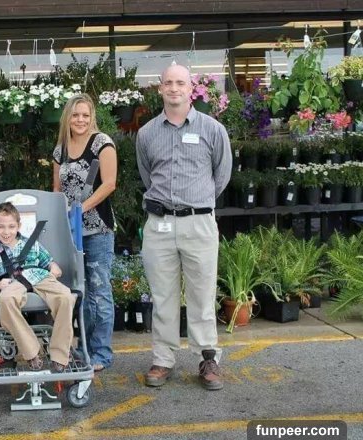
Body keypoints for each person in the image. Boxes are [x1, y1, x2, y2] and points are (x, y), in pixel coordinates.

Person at [135, 64, 232, 391]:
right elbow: (147, 175)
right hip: (160, 224)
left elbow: (222, 175)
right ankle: (163, 359)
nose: (174, 88)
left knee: (202, 294)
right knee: (162, 296)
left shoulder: (212, 130)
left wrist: (196, 203)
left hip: (199, 223)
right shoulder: (147, 133)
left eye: (180, 82)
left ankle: (208, 358)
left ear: (191, 88)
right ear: (160, 88)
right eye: (168, 83)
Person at [52, 93, 117, 372]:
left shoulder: (102, 143)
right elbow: (57, 189)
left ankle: (101, 352)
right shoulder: (61, 150)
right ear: (68, 118)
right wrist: (62, 216)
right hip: (70, 232)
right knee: (79, 291)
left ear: (92, 118)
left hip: (97, 229)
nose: (80, 120)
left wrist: (80, 209)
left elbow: (109, 183)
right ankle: (85, 348)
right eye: (76, 115)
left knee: (99, 292)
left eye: (86, 115)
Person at [0, 202, 76, 373]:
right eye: (0, 227)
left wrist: (54, 268)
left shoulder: (31, 244)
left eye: (11, 227)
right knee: (5, 299)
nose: (6, 232)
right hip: (12, 282)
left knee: (66, 296)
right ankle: (31, 351)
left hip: (39, 276)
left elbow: (51, 264)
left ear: (19, 226)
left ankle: (60, 354)